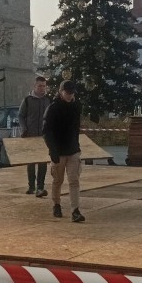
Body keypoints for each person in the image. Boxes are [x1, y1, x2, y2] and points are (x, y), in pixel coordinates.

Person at [42, 79, 85, 222]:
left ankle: (75, 210)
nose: (70, 95)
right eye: (67, 93)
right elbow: (47, 132)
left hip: (73, 150)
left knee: (74, 180)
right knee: (58, 180)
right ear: (61, 92)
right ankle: (56, 204)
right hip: (58, 151)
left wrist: (76, 146)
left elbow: (76, 128)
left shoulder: (76, 106)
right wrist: (52, 150)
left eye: (72, 93)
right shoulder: (53, 108)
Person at [19, 76, 52, 197]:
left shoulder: (48, 100)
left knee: (43, 162)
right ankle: (31, 186)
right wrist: (24, 129)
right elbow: (20, 115)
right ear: (35, 86)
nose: (42, 88)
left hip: (44, 136)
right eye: (40, 86)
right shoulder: (28, 100)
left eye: (44, 86)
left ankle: (40, 187)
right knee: (31, 162)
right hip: (30, 135)